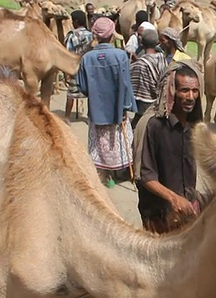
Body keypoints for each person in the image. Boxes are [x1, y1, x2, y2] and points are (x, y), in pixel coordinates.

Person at [132, 61, 204, 234]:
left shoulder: (193, 124)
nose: (191, 97)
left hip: (186, 212)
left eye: (195, 91)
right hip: (158, 215)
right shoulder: (151, 125)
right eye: (184, 90)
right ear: (171, 91)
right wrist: (174, 199)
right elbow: (145, 176)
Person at [77, 17, 137, 187]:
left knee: (100, 143)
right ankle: (121, 172)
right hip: (118, 110)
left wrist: (97, 93)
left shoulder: (87, 58)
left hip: (96, 111)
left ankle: (106, 175)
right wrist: (125, 107)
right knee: (118, 141)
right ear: (112, 35)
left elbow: (83, 87)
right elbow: (126, 84)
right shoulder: (120, 56)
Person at [130, 29, 167, 129]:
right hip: (158, 102)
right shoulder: (162, 58)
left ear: (141, 43)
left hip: (145, 104)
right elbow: (150, 65)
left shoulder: (139, 65)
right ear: (157, 42)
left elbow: (130, 80)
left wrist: (133, 63)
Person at [64, 10, 94, 123]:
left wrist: (66, 72)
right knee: (90, 93)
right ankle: (89, 116)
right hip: (89, 69)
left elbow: (67, 53)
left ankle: (67, 117)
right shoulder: (91, 35)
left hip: (75, 68)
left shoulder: (72, 36)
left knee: (71, 94)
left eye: (72, 21)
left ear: (76, 21)